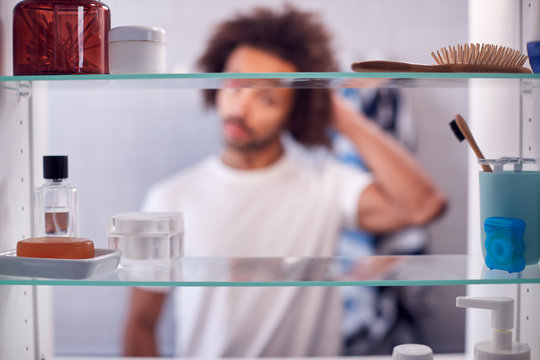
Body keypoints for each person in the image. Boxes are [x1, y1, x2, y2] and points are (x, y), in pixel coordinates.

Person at [123, 5, 446, 358]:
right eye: (234, 84)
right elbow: (141, 323)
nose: (241, 107)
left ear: (295, 111)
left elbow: (424, 205)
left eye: (267, 98)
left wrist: (336, 112)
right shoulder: (170, 198)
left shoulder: (327, 184)